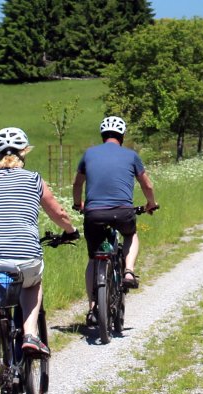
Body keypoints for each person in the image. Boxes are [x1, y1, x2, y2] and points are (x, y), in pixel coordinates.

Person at [0, 127, 78, 356]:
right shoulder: (33, 179)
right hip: (24, 255)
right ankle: (30, 334)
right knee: (32, 283)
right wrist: (71, 230)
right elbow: (58, 212)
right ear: (24, 152)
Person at [73, 116, 158, 294]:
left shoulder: (89, 154)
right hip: (123, 212)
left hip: (93, 213)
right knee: (130, 234)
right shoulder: (131, 155)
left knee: (93, 259)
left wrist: (78, 204)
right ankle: (129, 271)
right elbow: (147, 185)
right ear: (122, 136)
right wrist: (151, 203)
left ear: (102, 135)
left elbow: (77, 184)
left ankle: (92, 308)